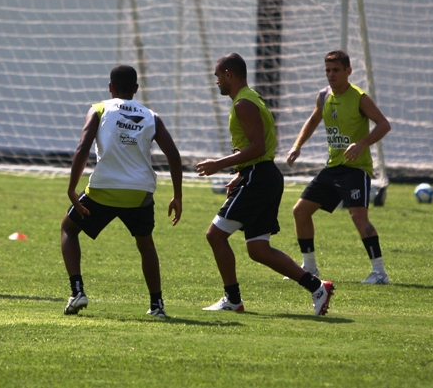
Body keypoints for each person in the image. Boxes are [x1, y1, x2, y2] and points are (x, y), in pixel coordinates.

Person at [197, 53, 334, 316]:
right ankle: (318, 287)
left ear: (229, 74)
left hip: (259, 178)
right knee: (258, 249)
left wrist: (220, 164)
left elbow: (258, 145)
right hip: (262, 175)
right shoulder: (250, 97)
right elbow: (261, 147)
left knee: (215, 235)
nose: (216, 82)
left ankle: (232, 299)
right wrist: (240, 172)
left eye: (217, 76)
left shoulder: (243, 104)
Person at [61, 65, 183, 318]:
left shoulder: (99, 108)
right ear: (136, 89)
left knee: (69, 229)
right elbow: (173, 155)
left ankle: (77, 292)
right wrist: (177, 195)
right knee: (146, 244)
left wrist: (72, 188)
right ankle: (157, 305)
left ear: (110, 88)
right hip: (139, 193)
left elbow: (83, 147)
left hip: (103, 189)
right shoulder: (151, 115)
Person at [286, 49, 392, 284]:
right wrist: (297, 145)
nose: (331, 75)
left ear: (348, 71)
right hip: (333, 167)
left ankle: (379, 272)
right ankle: (310, 268)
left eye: (336, 70)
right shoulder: (324, 96)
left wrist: (362, 143)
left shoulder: (359, 97)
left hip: (356, 169)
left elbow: (384, 125)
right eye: (327, 70)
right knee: (300, 211)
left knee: (358, 216)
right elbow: (314, 120)